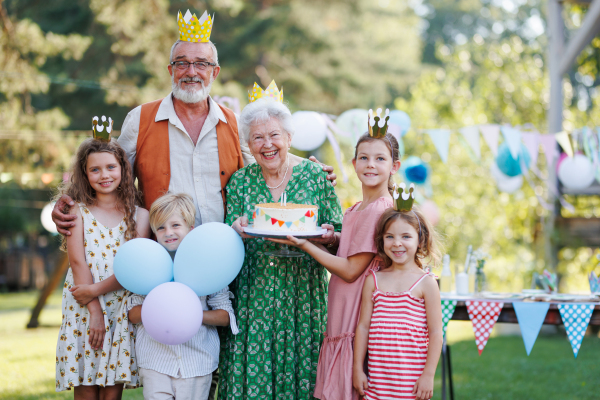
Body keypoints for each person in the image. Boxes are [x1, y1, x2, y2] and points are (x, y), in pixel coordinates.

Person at [51, 9, 336, 235]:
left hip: (223, 249)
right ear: (170, 70)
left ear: (215, 72)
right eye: (182, 63)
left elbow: (268, 156)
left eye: (201, 63)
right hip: (162, 246)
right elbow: (107, 172)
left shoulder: (233, 122)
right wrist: (70, 200)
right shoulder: (140, 119)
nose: (191, 71)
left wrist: (312, 169)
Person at [218, 89, 344, 400]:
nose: (267, 144)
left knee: (304, 374)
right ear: (249, 145)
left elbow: (340, 235)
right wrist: (235, 229)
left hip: (303, 294)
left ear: (288, 137)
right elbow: (228, 234)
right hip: (255, 296)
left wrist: (330, 236)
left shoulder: (315, 175)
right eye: (257, 138)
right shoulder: (240, 181)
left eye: (274, 135)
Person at [272, 113, 402, 399]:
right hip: (343, 310)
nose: (371, 164)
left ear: (395, 167)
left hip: (356, 309)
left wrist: (306, 245)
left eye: (380, 159)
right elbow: (354, 249)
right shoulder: (357, 208)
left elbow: (351, 269)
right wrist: (332, 239)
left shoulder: (380, 208)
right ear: (353, 163)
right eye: (364, 158)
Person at [55, 127, 151, 398]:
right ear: (85, 174)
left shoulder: (140, 216)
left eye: (111, 167)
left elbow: (133, 270)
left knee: (112, 388)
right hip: (83, 307)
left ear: (123, 169)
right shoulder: (78, 211)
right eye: (95, 170)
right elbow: (77, 262)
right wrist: (94, 310)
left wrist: (96, 291)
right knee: (86, 382)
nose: (104, 175)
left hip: (119, 307)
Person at [127, 193, 238, 400]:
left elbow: (224, 316)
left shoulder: (207, 265)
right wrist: (161, 309)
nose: (168, 232)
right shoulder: (148, 264)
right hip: (155, 361)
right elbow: (133, 314)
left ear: (191, 230)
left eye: (175, 225)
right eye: (160, 228)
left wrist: (190, 314)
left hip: (197, 360)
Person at [353, 203, 443, 400]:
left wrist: (428, 375)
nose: (397, 243)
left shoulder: (426, 283)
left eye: (406, 236)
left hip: (411, 384)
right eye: (390, 236)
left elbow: (436, 332)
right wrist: (357, 369)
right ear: (382, 240)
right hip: (377, 383)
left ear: (420, 240)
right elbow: (363, 327)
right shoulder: (374, 280)